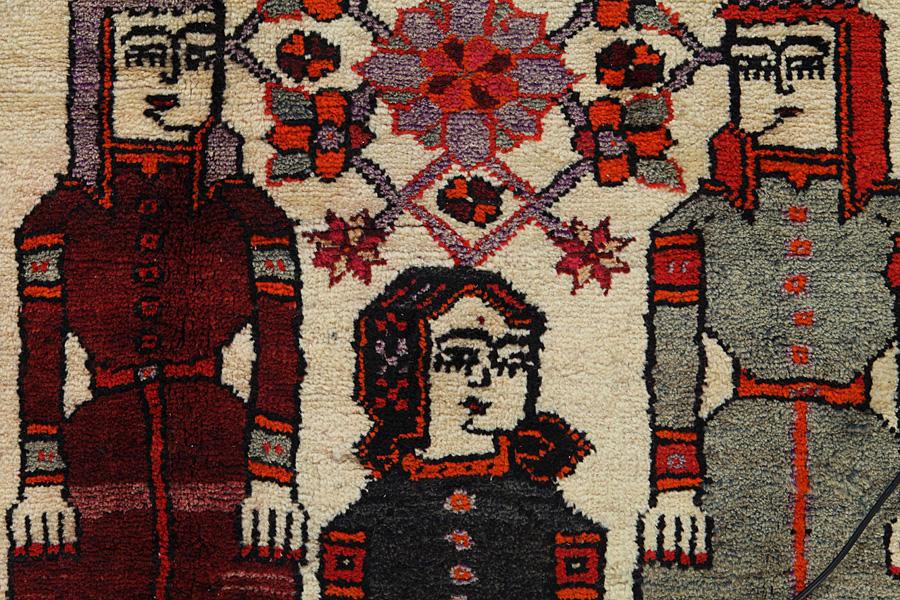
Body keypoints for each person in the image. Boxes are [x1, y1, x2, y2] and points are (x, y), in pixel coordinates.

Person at [9, 3, 306, 599]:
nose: (172, 80)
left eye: (195, 57)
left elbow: (280, 357)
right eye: (144, 55)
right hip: (94, 452)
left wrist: (273, 478)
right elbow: (40, 359)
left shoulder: (254, 220)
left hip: (224, 454)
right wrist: (41, 482)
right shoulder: (57, 223)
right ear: (97, 69)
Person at [641, 1, 900, 598]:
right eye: (755, 67)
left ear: (855, 75)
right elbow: (673, 354)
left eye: (804, 66)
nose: (778, 88)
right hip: (731, 460)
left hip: (869, 462)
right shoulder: (700, 221)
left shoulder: (890, 219)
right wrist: (675, 485)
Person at [316, 266, 606, 600]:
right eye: (461, 358)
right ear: (402, 369)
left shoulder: (563, 532)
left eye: (512, 362)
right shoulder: (359, 532)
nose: (486, 379)